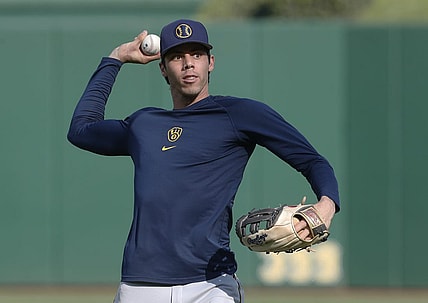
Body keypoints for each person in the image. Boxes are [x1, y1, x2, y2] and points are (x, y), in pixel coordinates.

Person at [67, 19, 340, 303]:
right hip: (141, 285)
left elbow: (312, 161)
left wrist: (327, 204)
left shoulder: (239, 114)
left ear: (210, 62)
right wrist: (116, 58)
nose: (188, 64)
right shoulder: (144, 124)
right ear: (163, 67)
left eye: (196, 55)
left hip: (211, 285)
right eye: (176, 57)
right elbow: (81, 130)